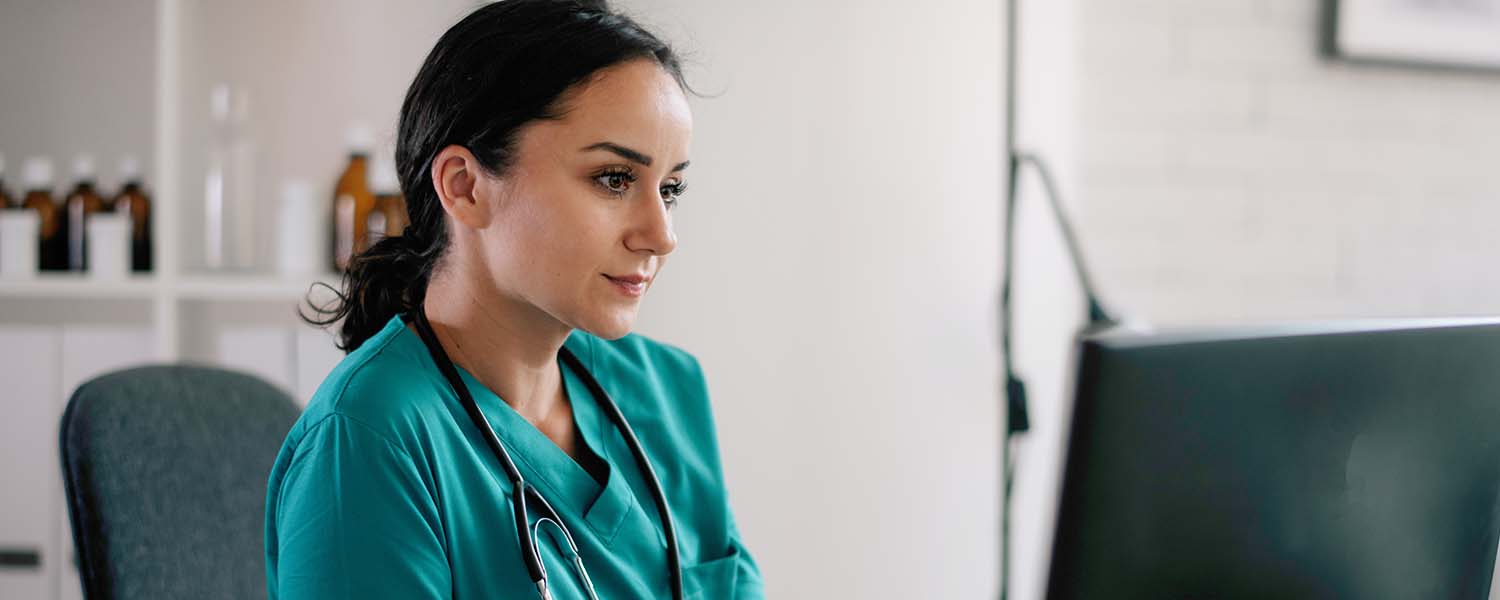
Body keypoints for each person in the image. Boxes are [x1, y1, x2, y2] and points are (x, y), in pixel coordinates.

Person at [263, 1, 764, 597]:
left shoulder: (666, 391)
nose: (662, 235)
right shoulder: (368, 444)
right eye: (614, 179)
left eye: (670, 188)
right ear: (465, 187)